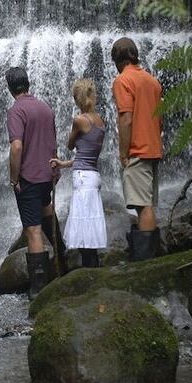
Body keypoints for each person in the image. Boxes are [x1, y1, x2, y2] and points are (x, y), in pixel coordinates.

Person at [5, 67, 60, 299]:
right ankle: (62, 264)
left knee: (33, 230)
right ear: (28, 83)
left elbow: (16, 146)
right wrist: (55, 171)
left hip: (29, 177)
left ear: (10, 88)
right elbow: (53, 140)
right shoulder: (45, 107)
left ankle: (38, 288)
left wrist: (14, 178)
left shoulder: (16, 111)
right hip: (47, 174)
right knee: (47, 214)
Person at [110, 37, 163, 261]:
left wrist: (123, 152)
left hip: (138, 150)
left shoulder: (123, 80)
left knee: (143, 207)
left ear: (117, 60)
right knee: (148, 204)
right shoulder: (152, 81)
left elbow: (126, 119)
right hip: (153, 149)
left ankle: (146, 262)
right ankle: (150, 256)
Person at [50, 78, 107, 268]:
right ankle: (94, 263)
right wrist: (63, 164)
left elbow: (70, 144)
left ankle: (88, 268)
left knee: (83, 222)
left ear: (77, 98)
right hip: (93, 176)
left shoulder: (79, 120)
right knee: (90, 219)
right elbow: (86, 155)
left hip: (82, 178)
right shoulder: (100, 121)